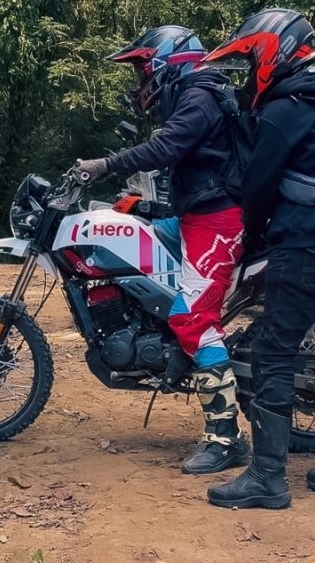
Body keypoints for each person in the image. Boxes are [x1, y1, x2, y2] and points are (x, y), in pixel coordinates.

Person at [201, 8, 315, 510]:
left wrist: (252, 236)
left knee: (274, 354)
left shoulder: (285, 109)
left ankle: (267, 478)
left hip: (302, 247)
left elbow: (258, 185)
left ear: (271, 51)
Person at [74, 25, 248, 475]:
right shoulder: (199, 92)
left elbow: (167, 146)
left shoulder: (200, 94)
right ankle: (148, 333)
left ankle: (226, 437)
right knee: (123, 232)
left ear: (166, 60)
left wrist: (105, 165)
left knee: (193, 317)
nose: (140, 81)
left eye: (142, 68)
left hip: (218, 221)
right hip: (196, 217)